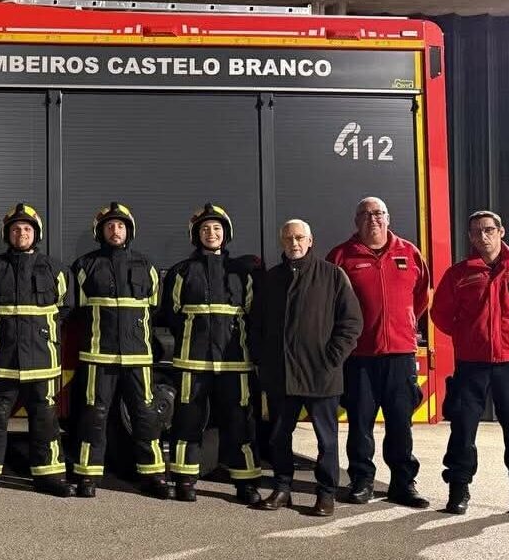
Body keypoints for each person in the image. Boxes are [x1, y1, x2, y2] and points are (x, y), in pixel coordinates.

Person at [432, 210, 509, 519]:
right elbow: (441, 315)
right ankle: (458, 490)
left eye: (489, 229)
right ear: (470, 237)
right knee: (462, 430)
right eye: (476, 232)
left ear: (502, 231)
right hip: (470, 366)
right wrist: (467, 336)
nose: (483, 236)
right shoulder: (459, 274)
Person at [251, 219, 362, 517]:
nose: (294, 243)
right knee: (278, 437)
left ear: (311, 241)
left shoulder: (332, 276)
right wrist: (264, 360)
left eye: (300, 238)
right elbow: (256, 326)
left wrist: (331, 359)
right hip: (281, 376)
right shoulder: (271, 279)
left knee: (326, 440)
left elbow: (351, 323)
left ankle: (326, 494)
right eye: (288, 239)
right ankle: (282, 488)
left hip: (321, 375)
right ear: (282, 243)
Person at [0, 203, 75, 498]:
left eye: (26, 229)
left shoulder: (57, 270)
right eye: (15, 229)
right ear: (7, 234)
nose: (21, 233)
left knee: (45, 418)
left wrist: (41, 334)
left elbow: (65, 310)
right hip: (2, 359)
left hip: (42, 359)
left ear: (35, 234)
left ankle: (50, 476)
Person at [326, 197, 432, 508]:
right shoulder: (341, 256)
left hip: (400, 355)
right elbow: (331, 304)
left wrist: (404, 324)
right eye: (365, 214)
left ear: (388, 217)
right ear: (355, 221)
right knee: (360, 422)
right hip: (359, 357)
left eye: (378, 213)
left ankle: (403, 483)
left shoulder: (409, 252)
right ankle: (361, 481)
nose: (372, 219)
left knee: (401, 422)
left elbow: (421, 296)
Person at [160, 203, 262, 504]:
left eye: (217, 228)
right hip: (193, 361)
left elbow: (253, 313)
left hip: (234, 361)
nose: (211, 233)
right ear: (196, 235)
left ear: (225, 234)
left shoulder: (242, 272)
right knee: (187, 421)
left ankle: (246, 483)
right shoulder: (182, 271)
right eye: (205, 229)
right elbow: (172, 313)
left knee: (239, 422)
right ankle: (184, 480)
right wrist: (195, 336)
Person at [69, 202, 171, 498]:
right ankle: (88, 476)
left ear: (129, 230)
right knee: (94, 415)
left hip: (137, 357)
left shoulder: (147, 266)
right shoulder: (84, 266)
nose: (116, 230)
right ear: (100, 232)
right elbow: (77, 310)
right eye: (110, 226)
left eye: (121, 225)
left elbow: (154, 307)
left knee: (145, 414)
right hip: (98, 356)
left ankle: (154, 476)